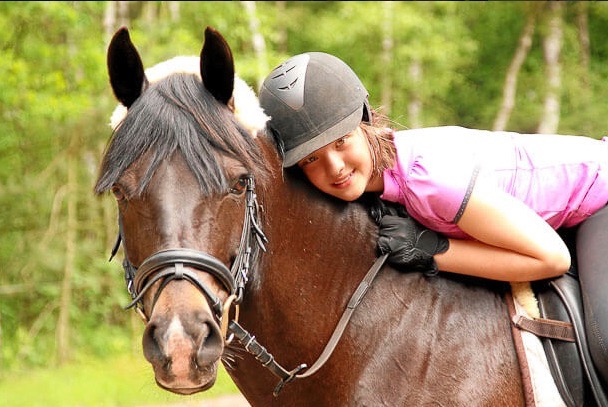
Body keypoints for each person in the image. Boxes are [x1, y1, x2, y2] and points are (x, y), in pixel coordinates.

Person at [258, 51, 608, 380]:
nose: (335, 167)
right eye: (310, 159)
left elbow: (551, 259)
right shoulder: (383, 181)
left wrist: (435, 251)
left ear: (365, 122)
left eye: (341, 141)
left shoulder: (430, 181)